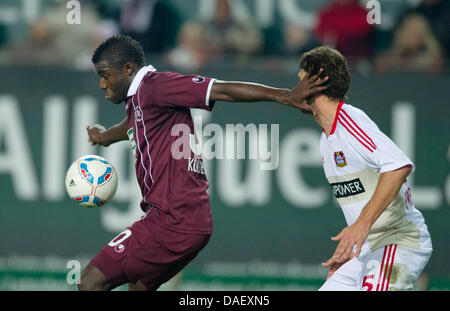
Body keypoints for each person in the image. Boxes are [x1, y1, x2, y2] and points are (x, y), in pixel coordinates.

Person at [78, 35, 328, 291]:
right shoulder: (141, 99)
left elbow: (220, 89)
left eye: (105, 75)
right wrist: (104, 136)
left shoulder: (157, 86)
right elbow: (134, 125)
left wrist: (284, 96)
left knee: (89, 282)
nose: (101, 84)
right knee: (138, 287)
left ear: (128, 69)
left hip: (171, 221)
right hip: (190, 222)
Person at [296, 46, 432, 291]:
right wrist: (351, 247)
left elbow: (397, 168)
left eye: (301, 81)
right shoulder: (326, 139)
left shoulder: (349, 121)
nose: (296, 91)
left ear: (318, 82)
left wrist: (360, 227)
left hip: (399, 241)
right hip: (367, 250)